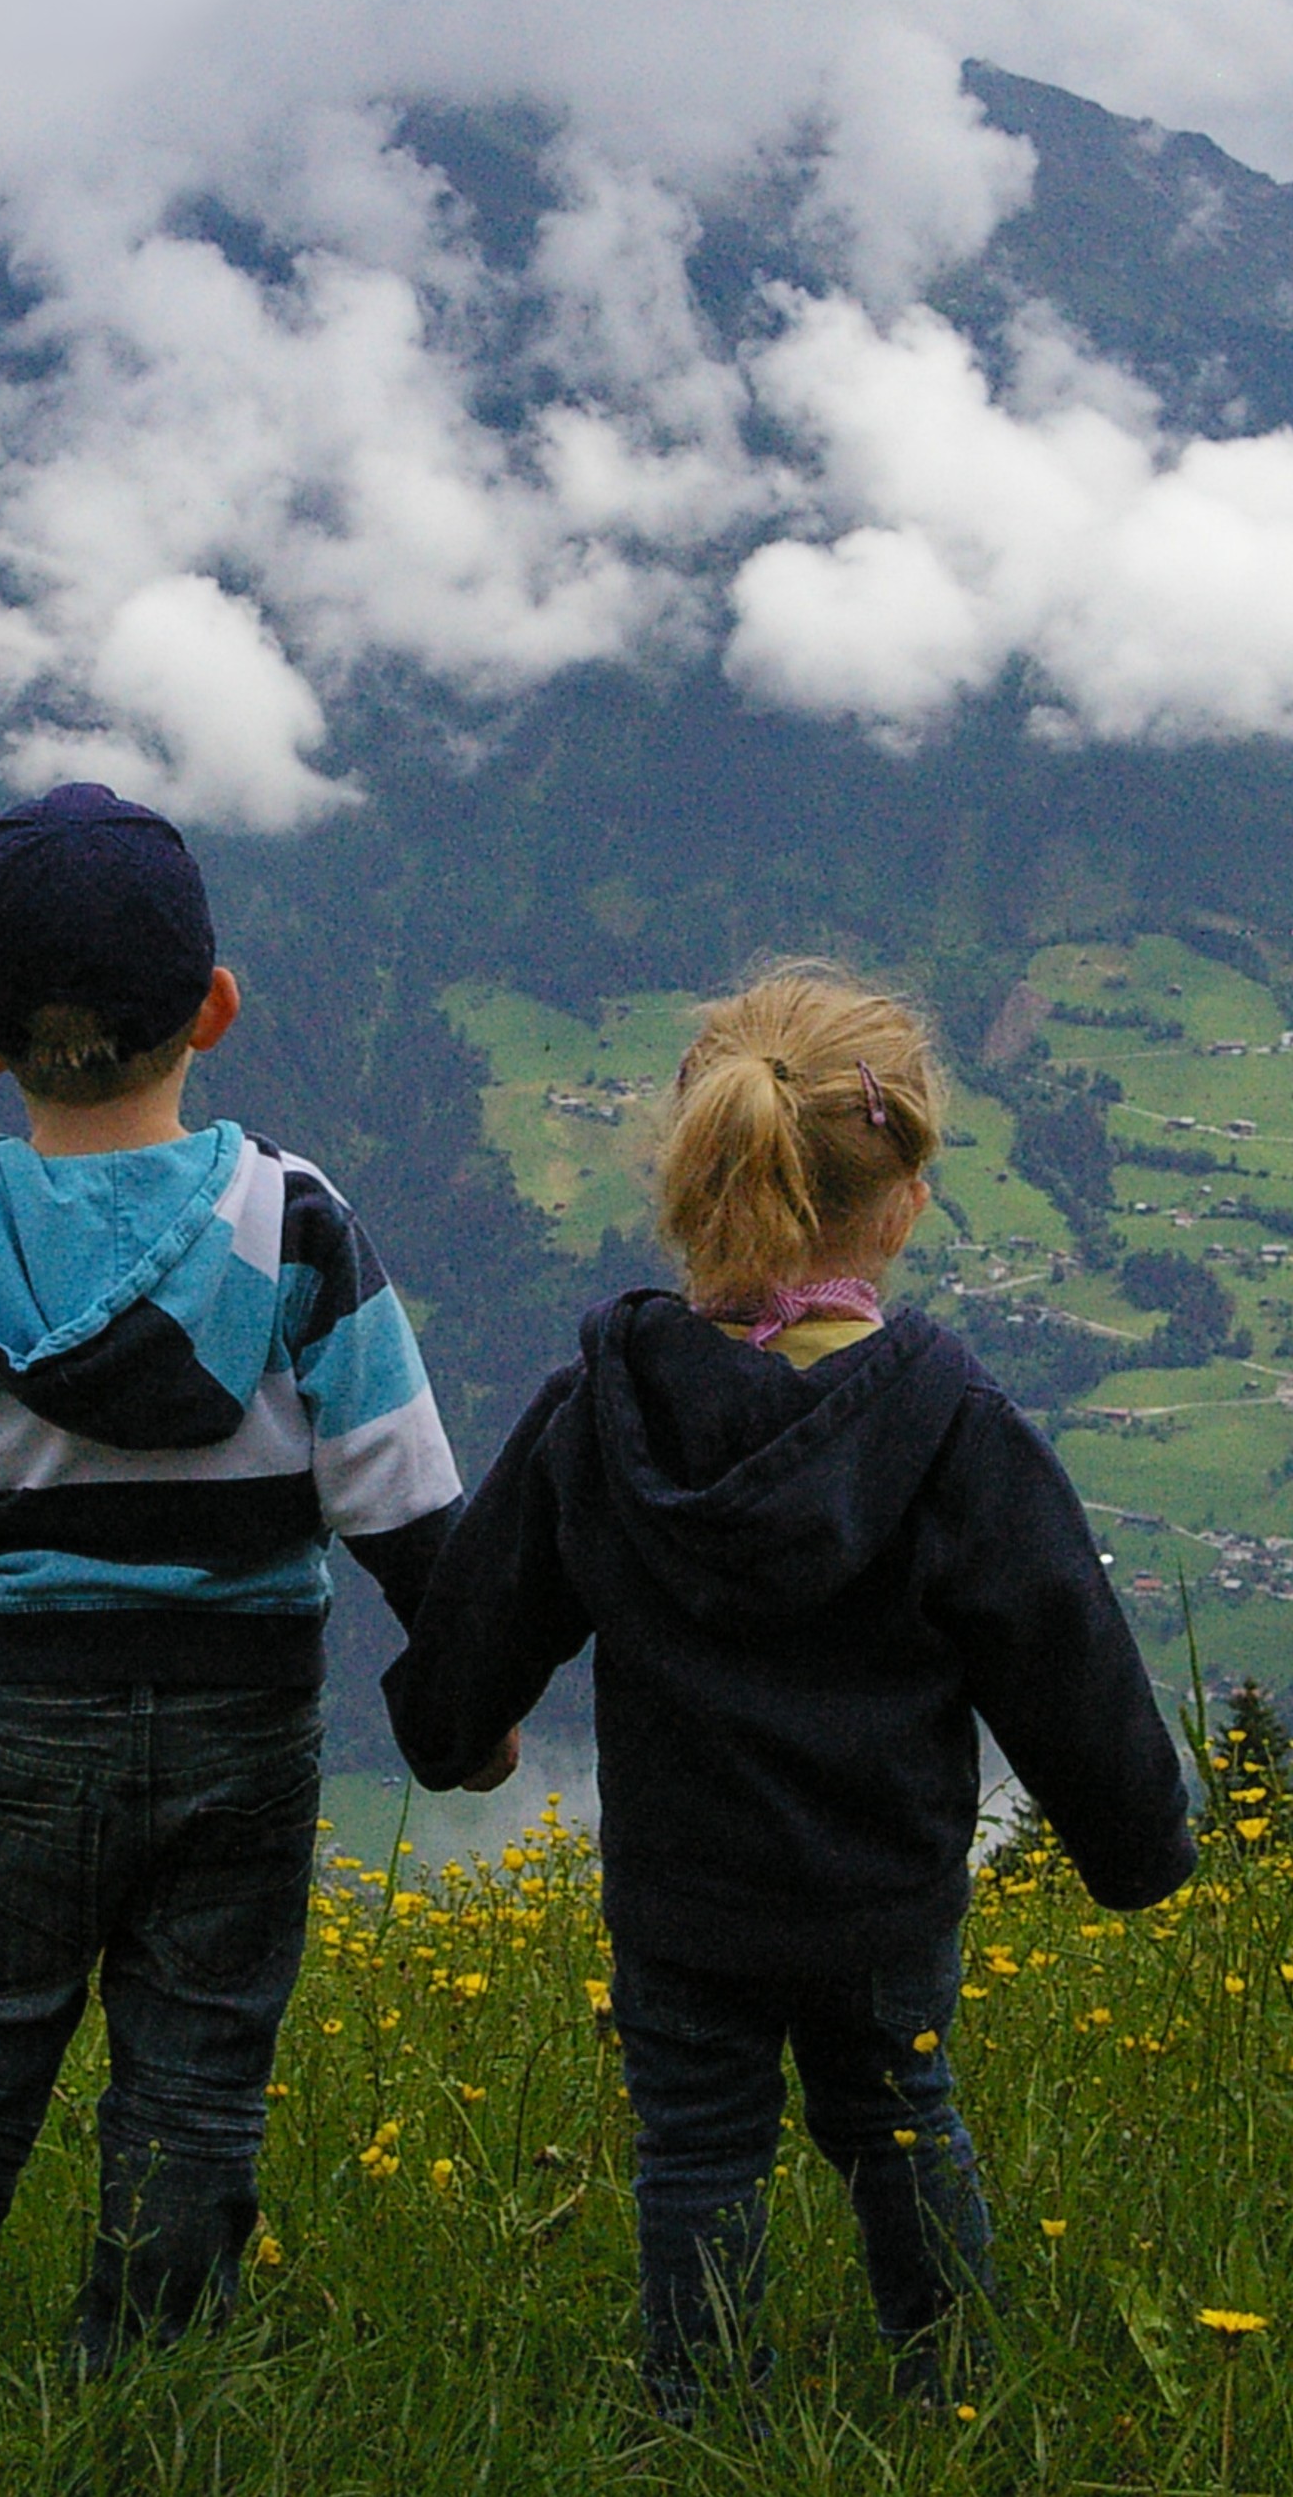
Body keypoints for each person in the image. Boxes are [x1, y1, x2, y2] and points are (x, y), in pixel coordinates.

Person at [384, 962, 1195, 2419]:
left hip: (684, 1902)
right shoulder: (949, 1427)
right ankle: (955, 2388)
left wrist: (452, 1730)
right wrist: (1140, 1853)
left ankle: (702, 2421)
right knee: (900, 2124)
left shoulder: (606, 1411)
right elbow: (1063, 1651)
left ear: (697, 1180)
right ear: (903, 1202)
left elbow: (482, 1608)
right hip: (880, 1899)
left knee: (697, 2152)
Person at [0, 781, 478, 2414]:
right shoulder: (296, 1225)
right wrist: (470, 1690)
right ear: (216, 1011)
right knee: (196, 2073)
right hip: (249, 1731)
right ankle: (143, 2391)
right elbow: (402, 1486)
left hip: (29, 1727)